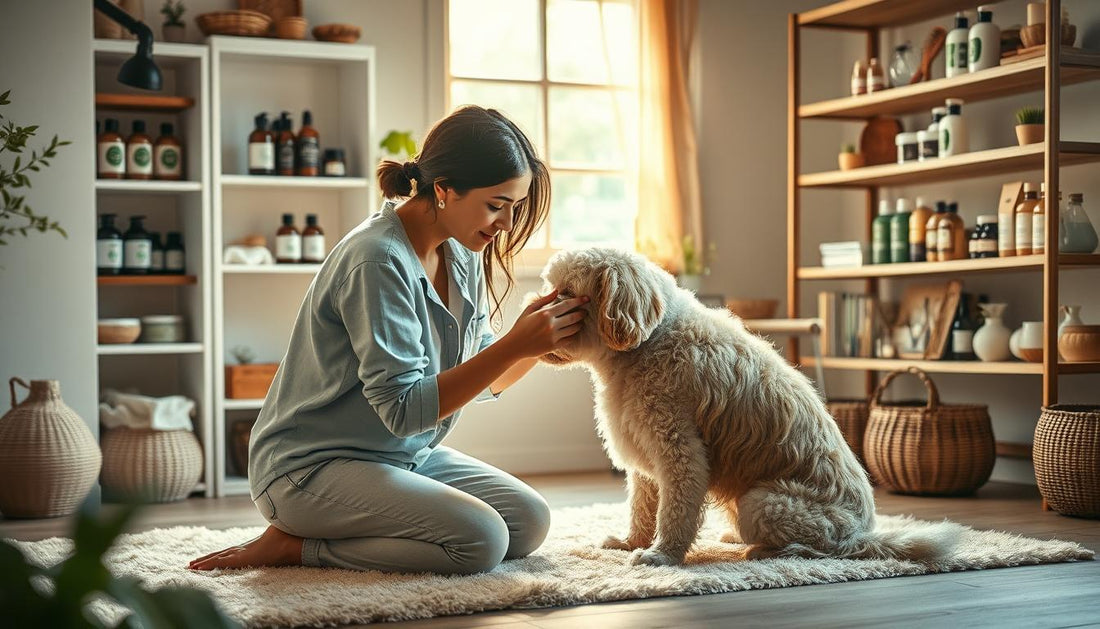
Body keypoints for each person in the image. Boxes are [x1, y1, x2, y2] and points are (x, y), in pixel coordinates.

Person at [189, 106, 589, 574]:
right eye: (496, 204)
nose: (505, 222)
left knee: (527, 522)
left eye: (514, 207)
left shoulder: (461, 252)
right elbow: (403, 411)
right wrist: (515, 344)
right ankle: (293, 547)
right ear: (444, 189)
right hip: (309, 469)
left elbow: (483, 379)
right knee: (481, 541)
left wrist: (539, 343)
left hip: (400, 458)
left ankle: (369, 522)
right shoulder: (376, 259)